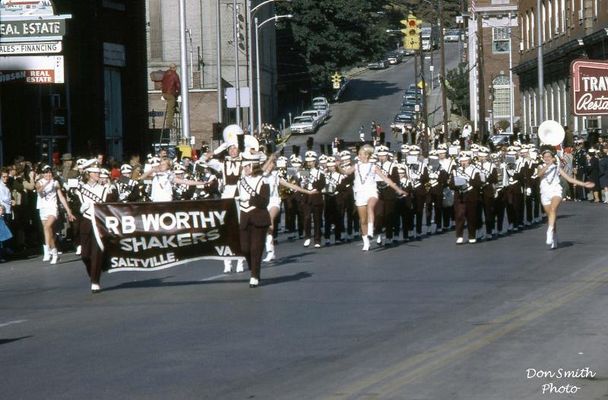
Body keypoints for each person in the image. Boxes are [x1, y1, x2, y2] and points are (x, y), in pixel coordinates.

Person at [338, 144, 406, 251]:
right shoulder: (356, 166)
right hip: (360, 193)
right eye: (359, 154)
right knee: (363, 220)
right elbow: (345, 172)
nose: (359, 156)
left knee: (370, 207)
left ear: (366, 155)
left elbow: (386, 179)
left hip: (371, 191)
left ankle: (370, 231)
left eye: (360, 154)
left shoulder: (374, 166)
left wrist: (398, 189)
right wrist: (338, 166)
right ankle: (366, 242)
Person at [536, 148, 594, 249]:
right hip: (545, 192)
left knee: (553, 210)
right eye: (545, 157)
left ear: (553, 157)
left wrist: (583, 184)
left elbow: (569, 179)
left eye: (549, 157)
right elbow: (539, 174)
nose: (547, 158)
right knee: (550, 215)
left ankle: (549, 231)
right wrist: (548, 165)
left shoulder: (557, 167)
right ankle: (554, 235)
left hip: (556, 191)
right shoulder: (540, 166)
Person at [238, 153, 270, 288]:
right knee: (244, 248)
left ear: (253, 165)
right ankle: (254, 269)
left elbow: (264, 202)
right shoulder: (241, 181)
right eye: (244, 166)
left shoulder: (263, 181)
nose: (244, 169)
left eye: (247, 166)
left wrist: (249, 198)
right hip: (244, 218)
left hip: (258, 217)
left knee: (256, 248)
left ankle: (255, 276)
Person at [35, 164, 75, 264]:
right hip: (42, 208)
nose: (48, 174)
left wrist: (68, 210)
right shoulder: (39, 182)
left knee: (47, 227)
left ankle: (47, 249)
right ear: (42, 174)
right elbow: (39, 191)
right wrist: (46, 183)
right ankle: (55, 253)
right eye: (46, 172)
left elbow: (61, 197)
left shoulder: (55, 182)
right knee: (50, 232)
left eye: (49, 172)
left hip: (52, 208)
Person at [161, 63, 181, 130]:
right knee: (171, 110)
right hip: (170, 94)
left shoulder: (165, 73)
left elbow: (162, 83)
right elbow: (178, 85)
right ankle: (169, 124)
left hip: (164, 93)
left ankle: (176, 108)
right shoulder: (175, 75)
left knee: (172, 105)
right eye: (176, 67)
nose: (176, 69)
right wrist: (179, 93)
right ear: (174, 68)